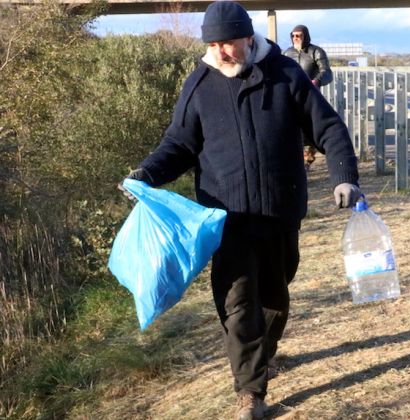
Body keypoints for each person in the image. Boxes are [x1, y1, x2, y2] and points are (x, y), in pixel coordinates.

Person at [117, 2, 360, 419]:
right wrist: (148, 172)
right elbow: (178, 144)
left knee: (275, 299)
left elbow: (328, 127)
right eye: (213, 44)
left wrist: (344, 175)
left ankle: (264, 353)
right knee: (237, 302)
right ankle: (250, 393)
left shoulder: (286, 75)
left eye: (227, 43)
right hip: (225, 218)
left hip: (281, 212)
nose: (221, 52)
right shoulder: (200, 85)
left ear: (248, 38)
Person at [283, 25, 333, 170]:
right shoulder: (286, 53)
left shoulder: (316, 52)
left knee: (310, 132)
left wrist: (317, 80)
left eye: (299, 35)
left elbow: (327, 73)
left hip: (310, 98)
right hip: (290, 99)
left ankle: (307, 160)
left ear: (306, 36)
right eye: (293, 35)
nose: (296, 38)